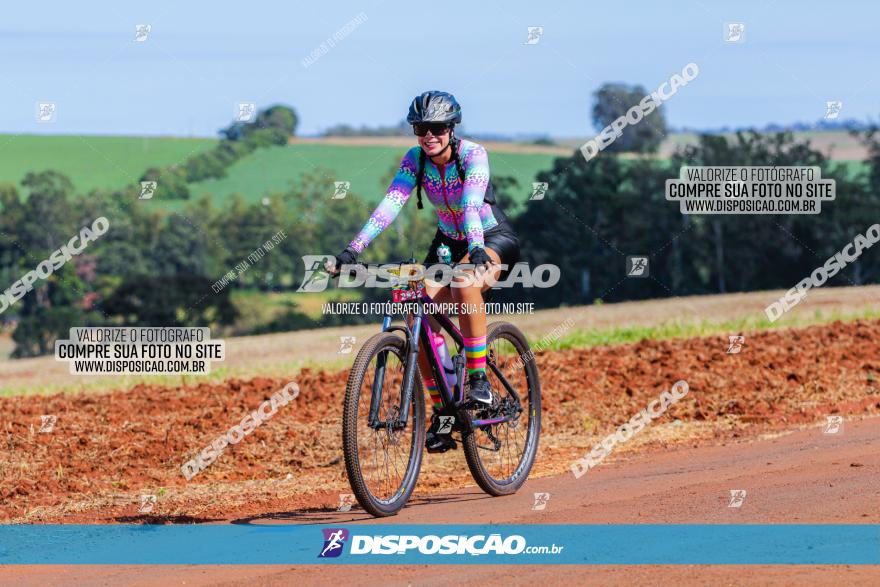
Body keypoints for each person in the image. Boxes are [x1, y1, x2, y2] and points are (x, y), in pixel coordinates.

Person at [325, 90, 520, 452]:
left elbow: (470, 204)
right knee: (416, 308)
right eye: (420, 128)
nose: (428, 136)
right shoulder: (415, 159)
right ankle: (444, 413)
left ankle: (479, 379)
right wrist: (353, 250)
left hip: (490, 238)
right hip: (447, 242)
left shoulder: (473, 155)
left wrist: (476, 246)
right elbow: (390, 205)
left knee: (464, 283)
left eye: (436, 128)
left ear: (451, 128)